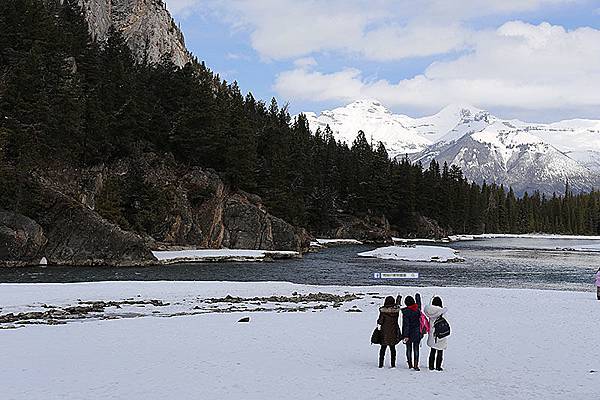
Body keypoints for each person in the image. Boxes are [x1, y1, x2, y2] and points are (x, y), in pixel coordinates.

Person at [424, 296, 448, 371]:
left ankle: (431, 366)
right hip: (440, 333)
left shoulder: (429, 312)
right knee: (440, 350)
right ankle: (438, 366)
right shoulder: (441, 312)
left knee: (432, 350)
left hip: (432, 333)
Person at [376, 296, 401, 368]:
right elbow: (398, 305)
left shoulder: (383, 312)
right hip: (393, 331)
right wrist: (399, 298)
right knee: (392, 348)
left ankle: (381, 364)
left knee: (383, 348)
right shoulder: (396, 312)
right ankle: (393, 364)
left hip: (384, 332)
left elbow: (380, 321)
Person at [402, 296, 422, 370]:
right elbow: (419, 304)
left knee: (408, 349)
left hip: (409, 333)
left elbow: (406, 325)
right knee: (416, 349)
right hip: (417, 332)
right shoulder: (418, 309)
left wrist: (405, 335)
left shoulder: (406, 312)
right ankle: (416, 365)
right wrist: (418, 297)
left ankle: (410, 364)